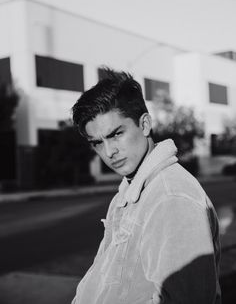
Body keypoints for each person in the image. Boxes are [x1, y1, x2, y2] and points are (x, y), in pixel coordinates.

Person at [71, 68, 221, 304]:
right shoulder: (131, 189)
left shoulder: (171, 197)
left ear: (145, 124)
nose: (109, 152)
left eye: (116, 134)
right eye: (97, 143)